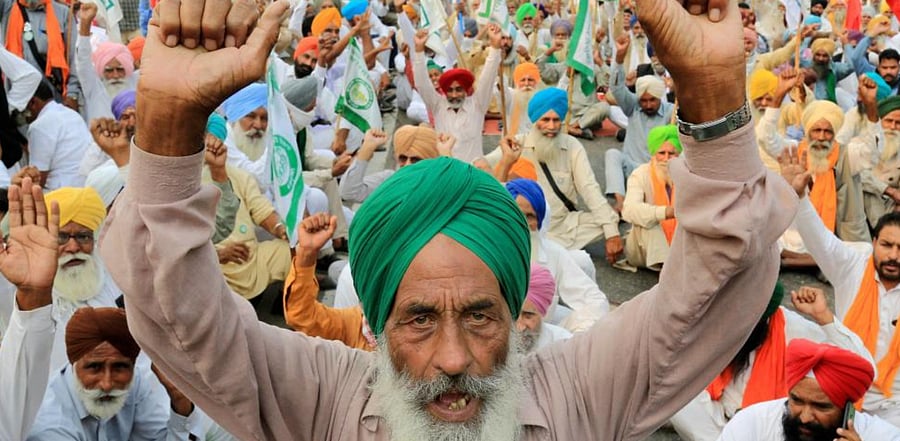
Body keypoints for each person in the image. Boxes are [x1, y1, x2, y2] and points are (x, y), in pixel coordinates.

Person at [99, 0, 799, 439]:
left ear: (517, 305)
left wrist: (711, 94)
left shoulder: (575, 392)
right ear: (373, 318)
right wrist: (165, 120)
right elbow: (176, 319)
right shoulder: (324, 399)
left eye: (481, 314)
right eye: (419, 318)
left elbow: (714, 297)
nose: (456, 360)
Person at [784, 149, 900, 426]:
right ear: (874, 243)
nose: (894, 255)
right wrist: (799, 198)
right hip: (841, 386)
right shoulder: (854, 263)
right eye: (886, 245)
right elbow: (820, 240)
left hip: (894, 402)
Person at [671, 285, 873, 441]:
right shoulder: (717, 323)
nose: (736, 331)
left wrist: (824, 317)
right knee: (675, 392)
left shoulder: (790, 327)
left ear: (765, 319)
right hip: (719, 423)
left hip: (773, 425)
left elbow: (863, 366)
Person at [482, 87, 624, 258]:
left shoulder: (572, 145)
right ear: (535, 120)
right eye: (546, 119)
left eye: (556, 120)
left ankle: (543, 250)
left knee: (610, 219)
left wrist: (612, 235)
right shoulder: (517, 143)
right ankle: (545, 250)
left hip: (563, 225)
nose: (551, 126)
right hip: (525, 225)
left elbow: (589, 189)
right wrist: (507, 160)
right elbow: (480, 165)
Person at [717, 339, 900, 441]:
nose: (805, 417)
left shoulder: (883, 436)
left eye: (821, 407)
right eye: (797, 401)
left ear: (848, 408)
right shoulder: (752, 423)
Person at [411, 25, 501, 163]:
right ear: (444, 91)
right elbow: (422, 83)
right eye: (450, 90)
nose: (454, 95)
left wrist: (495, 47)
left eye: (458, 89)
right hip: (446, 174)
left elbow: (487, 78)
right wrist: (418, 50)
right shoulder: (437, 105)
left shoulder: (478, 105)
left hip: (473, 175)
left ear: (465, 90)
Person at [605, 38, 674, 212]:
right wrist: (619, 60)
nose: (648, 105)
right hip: (632, 169)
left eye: (652, 100)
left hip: (656, 171)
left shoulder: (670, 112)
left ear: (659, 97)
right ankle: (620, 201)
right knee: (613, 154)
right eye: (644, 100)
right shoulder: (633, 106)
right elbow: (617, 88)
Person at [340, 125, 454, 204]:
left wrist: (446, 156)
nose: (407, 165)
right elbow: (348, 192)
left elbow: (454, 193)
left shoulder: (439, 183)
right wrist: (366, 148)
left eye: (416, 160)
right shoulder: (389, 179)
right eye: (403, 158)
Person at [622, 124, 679, 271]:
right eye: (661, 153)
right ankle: (670, 273)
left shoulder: (685, 176)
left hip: (677, 243)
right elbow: (629, 211)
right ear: (653, 154)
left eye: (671, 154)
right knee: (651, 223)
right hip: (641, 248)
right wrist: (665, 212)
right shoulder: (640, 174)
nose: (666, 159)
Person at [24, 80, 92, 189]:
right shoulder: (72, 114)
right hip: (86, 185)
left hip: (61, 192)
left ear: (33, 103)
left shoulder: (39, 126)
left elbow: (38, 178)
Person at [76, 3, 137, 121]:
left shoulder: (135, 81)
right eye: (109, 70)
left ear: (128, 68)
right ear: (101, 70)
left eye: (120, 69)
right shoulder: (93, 86)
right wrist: (85, 25)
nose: (115, 75)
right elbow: (83, 61)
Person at [516, 263, 572, 352]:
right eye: (513, 314)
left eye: (528, 316)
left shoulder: (563, 345)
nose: (519, 327)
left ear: (542, 313)